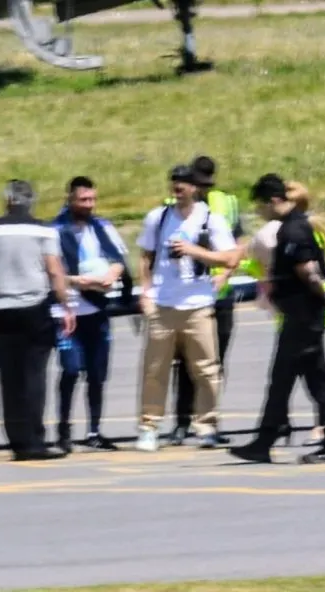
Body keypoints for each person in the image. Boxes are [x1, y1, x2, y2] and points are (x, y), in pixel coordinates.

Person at [227, 173, 325, 465]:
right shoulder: (291, 228)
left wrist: (323, 296)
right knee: (295, 379)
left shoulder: (294, 230)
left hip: (303, 316)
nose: (259, 212)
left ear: (273, 201)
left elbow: (308, 269)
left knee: (305, 380)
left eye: (261, 206)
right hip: (300, 314)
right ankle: (268, 440)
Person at [134, 164, 240, 451]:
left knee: (206, 368)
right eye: (175, 181)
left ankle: (206, 425)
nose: (178, 187)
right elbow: (145, 256)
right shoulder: (158, 217)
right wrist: (146, 292)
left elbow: (230, 258)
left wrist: (195, 253)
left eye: (185, 182)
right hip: (163, 305)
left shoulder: (211, 219)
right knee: (154, 369)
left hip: (198, 306)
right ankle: (149, 426)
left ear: (196, 188)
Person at [0, 179, 75, 462]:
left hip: (3, 308)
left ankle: (16, 439)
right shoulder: (43, 230)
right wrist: (66, 306)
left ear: (7, 201)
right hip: (34, 307)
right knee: (35, 374)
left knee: (9, 377)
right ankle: (34, 440)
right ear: (31, 201)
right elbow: (54, 270)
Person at [169, 155, 248, 446]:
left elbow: (239, 246)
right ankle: (181, 422)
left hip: (219, 294)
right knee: (185, 362)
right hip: (188, 295)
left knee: (213, 364)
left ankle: (209, 422)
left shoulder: (226, 203)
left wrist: (225, 275)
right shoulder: (173, 207)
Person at [50, 175, 130, 453]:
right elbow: (51, 271)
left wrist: (111, 275)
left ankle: (94, 429)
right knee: (71, 370)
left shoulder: (102, 227)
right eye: (83, 200)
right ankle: (63, 429)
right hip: (67, 310)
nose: (89, 205)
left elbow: (120, 259)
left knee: (97, 374)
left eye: (92, 199)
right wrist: (79, 281)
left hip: (97, 308)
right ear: (70, 199)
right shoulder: (54, 231)